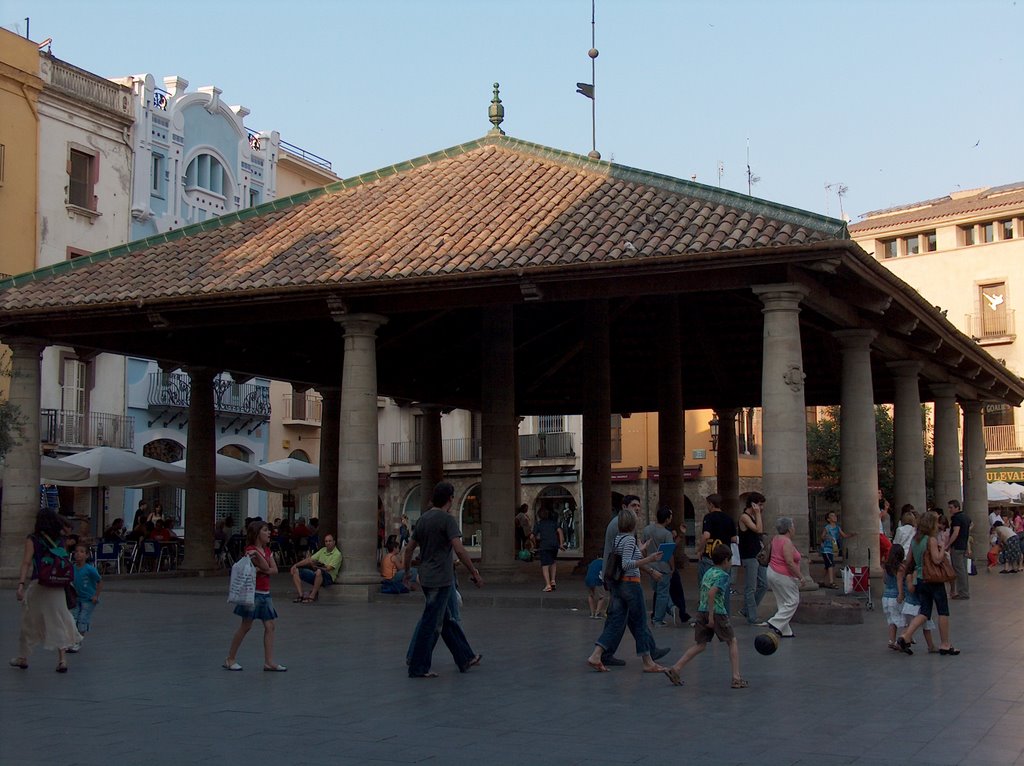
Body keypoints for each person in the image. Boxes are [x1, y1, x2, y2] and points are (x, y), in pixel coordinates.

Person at [404, 481, 483, 678]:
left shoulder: (423, 519)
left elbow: (408, 549)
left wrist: (406, 572)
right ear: (450, 499)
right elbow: (459, 548)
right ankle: (417, 666)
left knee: (445, 619)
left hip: (427, 578)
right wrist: (473, 571)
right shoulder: (447, 520)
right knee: (431, 623)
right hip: (442, 578)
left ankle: (465, 657)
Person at [586, 507, 667, 673]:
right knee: (640, 622)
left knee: (616, 622)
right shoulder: (629, 539)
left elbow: (629, 555)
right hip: (630, 583)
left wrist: (642, 549)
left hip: (618, 585)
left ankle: (596, 654)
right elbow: (627, 564)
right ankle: (647, 662)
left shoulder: (619, 539)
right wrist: (649, 559)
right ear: (632, 522)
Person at [9, 509, 82, 673]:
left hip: (39, 582)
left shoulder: (33, 539)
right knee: (59, 619)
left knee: (28, 619)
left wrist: (21, 584)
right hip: (57, 585)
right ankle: (62, 660)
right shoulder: (60, 539)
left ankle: (23, 657)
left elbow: (26, 562)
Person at [664, 543, 747, 688]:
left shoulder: (708, 572)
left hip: (701, 610)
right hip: (716, 612)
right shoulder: (723, 576)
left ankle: (676, 668)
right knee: (732, 641)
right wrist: (711, 616)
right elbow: (712, 593)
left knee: (700, 645)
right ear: (726, 560)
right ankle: (736, 677)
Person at [224, 521, 286, 672]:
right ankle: (230, 658)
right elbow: (266, 566)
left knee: (270, 626)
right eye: (265, 530)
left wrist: (263, 567)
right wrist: (261, 562)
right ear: (258, 533)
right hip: (253, 593)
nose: (269, 533)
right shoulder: (251, 550)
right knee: (246, 626)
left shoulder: (266, 550)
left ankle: (269, 661)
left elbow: (274, 570)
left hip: (265, 593)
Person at [895, 510, 958, 656]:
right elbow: (936, 559)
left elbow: (909, 560)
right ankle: (945, 644)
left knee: (924, 611)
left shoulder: (915, 540)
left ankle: (905, 636)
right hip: (933, 579)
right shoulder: (931, 540)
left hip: (920, 580)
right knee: (943, 610)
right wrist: (942, 548)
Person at [766, 516, 804, 638]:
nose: (794, 528)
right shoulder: (786, 541)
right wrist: (800, 577)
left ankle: (785, 630)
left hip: (772, 571)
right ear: (789, 528)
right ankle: (775, 622)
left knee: (782, 601)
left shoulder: (776, 538)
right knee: (793, 600)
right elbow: (789, 562)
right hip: (782, 574)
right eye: (792, 526)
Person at [736, 492, 768, 625]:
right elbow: (758, 530)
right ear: (753, 504)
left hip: (757, 555)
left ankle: (745, 610)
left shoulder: (754, 517)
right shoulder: (744, 517)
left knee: (764, 584)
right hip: (749, 556)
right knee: (751, 587)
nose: (761, 508)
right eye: (760, 505)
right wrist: (758, 514)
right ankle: (753, 617)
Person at [641, 506, 674, 626]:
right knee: (662, 593)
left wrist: (646, 560)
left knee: (657, 590)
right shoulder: (666, 533)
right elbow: (669, 553)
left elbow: (642, 548)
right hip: (663, 566)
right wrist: (672, 567)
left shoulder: (646, 530)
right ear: (667, 519)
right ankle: (658, 618)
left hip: (651, 565)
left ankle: (670, 606)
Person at [67, 544, 102, 653]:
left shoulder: (90, 569)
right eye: (76, 551)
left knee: (83, 619)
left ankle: (78, 641)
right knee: (73, 618)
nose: (78, 554)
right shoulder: (72, 568)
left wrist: (96, 595)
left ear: (86, 555)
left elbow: (99, 581)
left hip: (89, 599)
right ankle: (73, 640)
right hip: (77, 598)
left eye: (82, 551)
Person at [289, 533, 342, 602]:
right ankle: (300, 595)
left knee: (319, 571)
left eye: (330, 541)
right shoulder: (323, 550)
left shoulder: (337, 554)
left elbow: (328, 568)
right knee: (296, 571)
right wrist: (295, 565)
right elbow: (309, 559)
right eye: (326, 541)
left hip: (328, 577)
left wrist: (316, 566)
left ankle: (312, 596)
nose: (328, 543)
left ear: (334, 542)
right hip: (317, 573)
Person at [820, 511, 856, 589]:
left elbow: (844, 535)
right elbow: (822, 536)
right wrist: (826, 537)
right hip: (826, 549)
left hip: (832, 548)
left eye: (835, 516)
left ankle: (821, 581)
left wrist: (851, 534)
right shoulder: (827, 527)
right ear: (828, 519)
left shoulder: (837, 527)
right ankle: (831, 582)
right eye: (832, 516)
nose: (834, 517)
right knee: (830, 564)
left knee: (827, 565)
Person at [532, 507, 565, 591]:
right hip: (554, 545)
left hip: (545, 545)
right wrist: (561, 544)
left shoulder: (539, 524)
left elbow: (532, 536)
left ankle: (548, 585)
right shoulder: (553, 523)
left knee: (545, 565)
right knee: (553, 562)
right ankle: (553, 580)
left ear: (539, 516)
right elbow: (560, 531)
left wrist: (534, 544)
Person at [946, 499, 971, 600]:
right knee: (963, 570)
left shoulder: (956, 518)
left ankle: (963, 592)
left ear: (957, 507)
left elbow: (955, 532)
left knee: (959, 570)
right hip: (963, 546)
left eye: (951, 507)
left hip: (957, 546)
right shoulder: (966, 517)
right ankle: (965, 591)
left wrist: (948, 544)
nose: (949, 510)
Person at [882, 543, 905, 651]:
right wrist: (901, 594)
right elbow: (899, 582)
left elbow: (885, 580)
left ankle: (891, 640)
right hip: (894, 596)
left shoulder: (886, 566)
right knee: (901, 620)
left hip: (885, 596)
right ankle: (903, 639)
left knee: (891, 620)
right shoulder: (900, 568)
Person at [669, 520, 691, 625]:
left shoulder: (650, 530)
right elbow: (670, 551)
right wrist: (673, 568)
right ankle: (676, 610)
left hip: (656, 566)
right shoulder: (665, 533)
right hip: (666, 567)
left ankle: (656, 615)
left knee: (660, 592)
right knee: (675, 591)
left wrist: (680, 534)